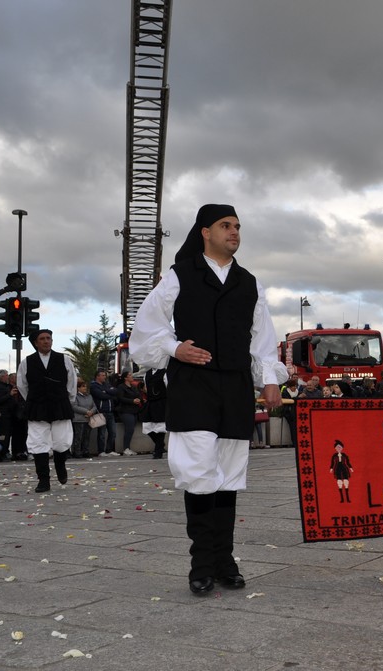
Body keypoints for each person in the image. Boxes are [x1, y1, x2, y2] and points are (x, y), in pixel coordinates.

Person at [129, 203, 286, 595]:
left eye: (237, 225)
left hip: (234, 386)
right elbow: (146, 328)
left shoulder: (249, 282)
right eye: (225, 225)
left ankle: (224, 560)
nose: (234, 232)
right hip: (193, 386)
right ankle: (201, 563)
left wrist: (269, 379)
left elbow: (263, 337)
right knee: (199, 474)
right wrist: (174, 347)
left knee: (229, 476)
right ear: (205, 231)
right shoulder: (179, 276)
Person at [17, 329, 77, 492]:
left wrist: (67, 400)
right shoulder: (26, 362)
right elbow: (22, 385)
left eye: (48, 338)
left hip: (59, 404)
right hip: (38, 406)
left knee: (61, 441)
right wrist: (35, 399)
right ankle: (43, 480)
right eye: (42, 339)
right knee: (38, 442)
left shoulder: (64, 359)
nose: (46, 341)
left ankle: (60, 467)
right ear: (36, 343)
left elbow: (72, 382)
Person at [141, 368, 168, 459]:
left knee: (160, 427)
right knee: (147, 426)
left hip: (161, 402)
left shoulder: (164, 373)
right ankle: (160, 444)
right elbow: (146, 388)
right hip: (151, 402)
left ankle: (158, 451)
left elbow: (168, 387)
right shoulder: (147, 374)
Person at [90, 370, 118, 456]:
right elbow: (101, 396)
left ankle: (109, 450)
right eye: (102, 375)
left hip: (110, 412)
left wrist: (106, 391)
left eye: (105, 375)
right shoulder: (94, 386)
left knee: (113, 432)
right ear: (97, 376)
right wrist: (109, 392)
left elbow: (115, 391)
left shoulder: (106, 385)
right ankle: (101, 451)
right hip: (101, 412)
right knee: (101, 433)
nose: (104, 377)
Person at [115, 372, 142, 456]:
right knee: (129, 429)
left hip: (134, 410)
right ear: (125, 378)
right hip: (125, 410)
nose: (131, 377)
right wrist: (132, 401)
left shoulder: (133, 387)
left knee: (131, 429)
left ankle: (128, 448)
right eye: (130, 375)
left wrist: (138, 399)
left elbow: (139, 395)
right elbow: (120, 398)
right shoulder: (121, 387)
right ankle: (126, 448)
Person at [71, 377, 98, 458]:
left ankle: (85, 451)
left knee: (86, 436)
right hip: (78, 420)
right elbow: (74, 406)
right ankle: (77, 452)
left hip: (88, 419)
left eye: (85, 386)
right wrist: (86, 411)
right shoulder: (75, 396)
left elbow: (94, 406)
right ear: (78, 388)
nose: (85, 388)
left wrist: (92, 412)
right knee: (78, 437)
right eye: (83, 386)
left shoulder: (89, 396)